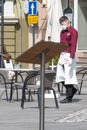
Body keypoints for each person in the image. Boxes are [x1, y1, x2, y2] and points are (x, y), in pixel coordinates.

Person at [56, 16, 78, 103]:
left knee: (69, 76)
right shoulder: (62, 31)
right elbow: (61, 43)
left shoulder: (73, 31)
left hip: (69, 54)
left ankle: (69, 97)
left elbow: (73, 44)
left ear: (67, 21)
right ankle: (72, 90)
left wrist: (71, 56)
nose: (62, 25)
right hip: (62, 54)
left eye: (63, 23)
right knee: (60, 75)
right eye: (61, 23)